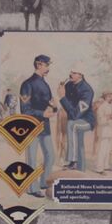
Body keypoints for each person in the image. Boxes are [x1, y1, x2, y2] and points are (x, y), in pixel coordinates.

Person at [19, 54, 58, 198]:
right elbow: (25, 110)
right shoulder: (27, 84)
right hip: (31, 127)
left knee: (50, 156)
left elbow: (50, 106)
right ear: (39, 64)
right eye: (47, 65)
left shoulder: (45, 84)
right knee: (32, 159)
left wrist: (54, 107)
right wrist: (43, 113)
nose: (48, 68)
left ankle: (44, 182)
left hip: (44, 126)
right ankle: (32, 188)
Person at [60, 66, 96, 171]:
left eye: (74, 72)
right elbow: (69, 109)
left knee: (72, 124)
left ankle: (73, 161)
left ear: (80, 75)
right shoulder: (68, 85)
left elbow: (76, 114)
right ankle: (81, 168)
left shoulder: (87, 90)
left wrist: (62, 97)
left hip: (87, 121)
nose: (70, 74)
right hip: (74, 119)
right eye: (70, 72)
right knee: (78, 142)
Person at [92, 90, 112, 173]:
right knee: (102, 150)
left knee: (107, 149)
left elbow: (111, 116)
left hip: (109, 131)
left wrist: (111, 117)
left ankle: (106, 166)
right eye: (109, 97)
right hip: (103, 131)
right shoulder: (101, 107)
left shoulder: (109, 106)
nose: (111, 98)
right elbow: (100, 121)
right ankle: (99, 168)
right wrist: (108, 118)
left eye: (111, 97)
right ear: (105, 97)